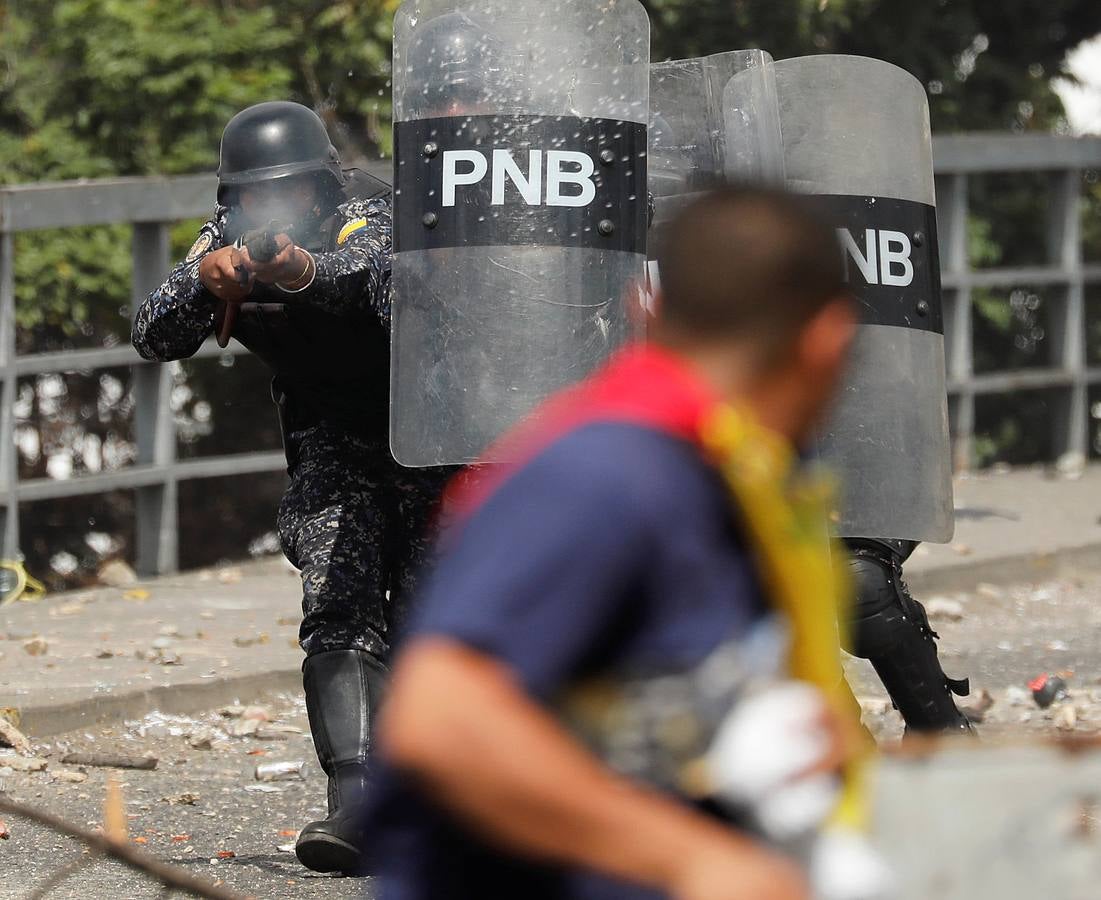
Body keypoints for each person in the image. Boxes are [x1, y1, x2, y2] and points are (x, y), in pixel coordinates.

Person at [366, 185, 870, 900]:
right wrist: (689, 858)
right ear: (829, 339)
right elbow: (442, 719)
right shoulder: (605, 477)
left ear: (645, 308)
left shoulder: (737, 474)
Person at [131, 100, 450, 875]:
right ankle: (355, 801)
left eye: (290, 193)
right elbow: (152, 332)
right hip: (333, 443)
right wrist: (206, 283)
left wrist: (297, 271)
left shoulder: (369, 214)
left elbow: (375, 282)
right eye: (253, 198)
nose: (274, 210)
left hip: (430, 441)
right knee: (337, 608)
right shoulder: (225, 240)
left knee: (430, 625)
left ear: (321, 186)